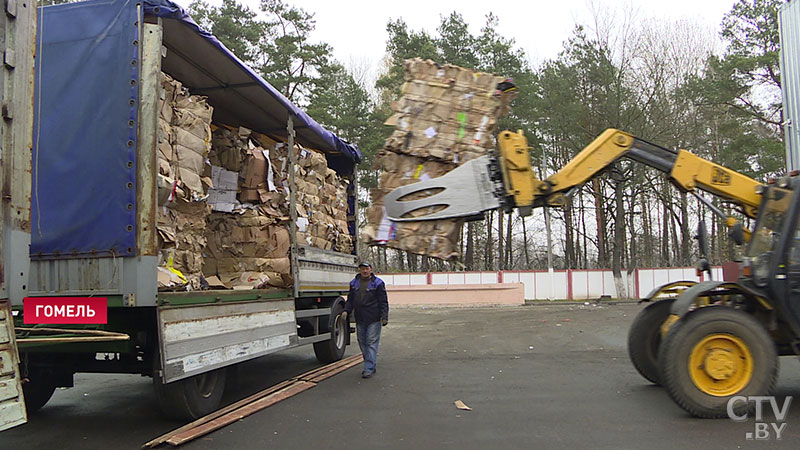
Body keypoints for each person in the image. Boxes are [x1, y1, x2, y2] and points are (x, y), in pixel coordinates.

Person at [342, 261, 388, 378]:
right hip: (360, 318)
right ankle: (370, 364)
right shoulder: (354, 283)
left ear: (371, 269)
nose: (365, 271)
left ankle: (368, 368)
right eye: (362, 269)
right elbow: (350, 299)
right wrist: (346, 311)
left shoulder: (378, 283)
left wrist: (384, 316)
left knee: (371, 341)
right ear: (360, 270)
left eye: (367, 268)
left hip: (373, 317)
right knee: (362, 342)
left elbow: (383, 301)